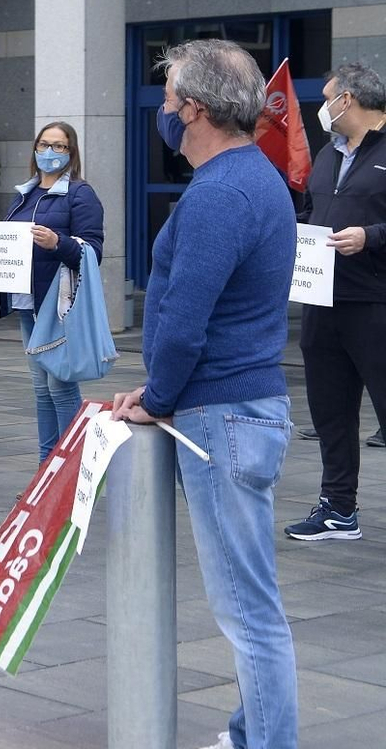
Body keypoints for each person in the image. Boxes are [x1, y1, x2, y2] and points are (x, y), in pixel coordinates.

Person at [113, 38, 298, 749]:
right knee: (252, 599)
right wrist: (163, 387)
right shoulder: (256, 178)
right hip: (241, 408)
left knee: (247, 610)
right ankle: (251, 732)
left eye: (166, 101)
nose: (162, 113)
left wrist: (158, 394)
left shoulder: (220, 191)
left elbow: (186, 320)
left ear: (193, 109)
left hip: (222, 414)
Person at [0, 121, 104, 461]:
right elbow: (13, 242)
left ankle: (71, 469)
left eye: (59, 146)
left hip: (58, 305)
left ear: (71, 152)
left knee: (60, 385)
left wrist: (58, 243)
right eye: (44, 145)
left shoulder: (80, 194)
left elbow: (93, 252)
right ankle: (46, 467)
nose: (49, 152)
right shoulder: (25, 193)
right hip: (28, 302)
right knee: (42, 388)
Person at [286, 62, 386, 541]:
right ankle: (338, 509)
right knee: (331, 414)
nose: (322, 108)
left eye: (327, 99)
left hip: (375, 304)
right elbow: (310, 211)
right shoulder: (328, 154)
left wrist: (371, 236)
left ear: (348, 100)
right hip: (323, 304)